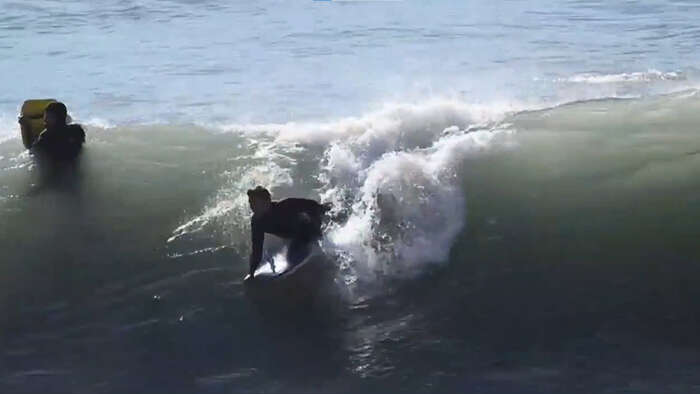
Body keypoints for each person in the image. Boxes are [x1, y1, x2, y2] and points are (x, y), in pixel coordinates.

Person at [246, 186, 329, 278]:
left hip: (308, 231)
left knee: (293, 257)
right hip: (296, 238)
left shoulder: (284, 206)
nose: (252, 207)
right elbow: (257, 249)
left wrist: (318, 222)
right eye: (250, 203)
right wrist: (251, 273)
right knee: (292, 257)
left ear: (267, 202)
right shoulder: (257, 222)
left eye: (254, 203)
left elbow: (313, 206)